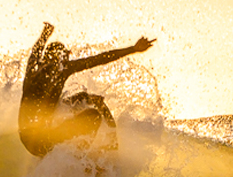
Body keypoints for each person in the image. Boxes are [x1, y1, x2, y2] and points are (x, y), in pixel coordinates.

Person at [19, 22, 155, 156]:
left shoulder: (32, 70)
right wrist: (133, 49)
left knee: (88, 98)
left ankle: (112, 145)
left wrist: (45, 34)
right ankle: (81, 161)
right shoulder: (62, 68)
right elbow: (99, 59)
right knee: (93, 116)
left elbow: (36, 51)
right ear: (58, 57)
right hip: (41, 141)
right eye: (65, 55)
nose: (67, 58)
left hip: (28, 139)